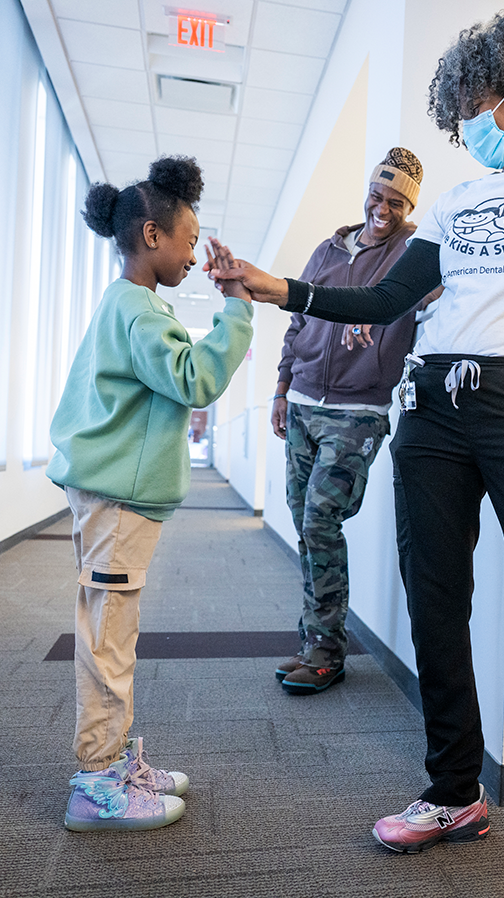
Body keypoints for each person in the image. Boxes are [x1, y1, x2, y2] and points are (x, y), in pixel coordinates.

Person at [206, 12, 504, 894]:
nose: (466, 123)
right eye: (458, 107)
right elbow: (387, 297)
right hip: (432, 408)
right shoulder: (459, 201)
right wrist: (278, 286)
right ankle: (452, 790)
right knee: (436, 599)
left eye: (474, 104)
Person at [47, 156, 254, 832]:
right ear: (152, 234)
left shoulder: (131, 305)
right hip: (116, 500)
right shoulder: (141, 314)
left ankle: (111, 762)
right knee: (109, 639)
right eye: (189, 240)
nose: (195, 254)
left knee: (115, 632)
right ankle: (96, 783)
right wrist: (238, 309)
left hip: (113, 495)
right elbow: (195, 379)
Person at [270, 148, 439, 696]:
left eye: (396, 201)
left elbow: (432, 294)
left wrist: (392, 311)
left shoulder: (412, 253)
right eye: (377, 195)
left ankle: (326, 650)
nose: (382, 208)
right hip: (301, 403)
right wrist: (280, 387)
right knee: (303, 520)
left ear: (409, 205)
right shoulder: (328, 248)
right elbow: (298, 321)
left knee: (321, 517)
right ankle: (315, 638)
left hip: (359, 409)